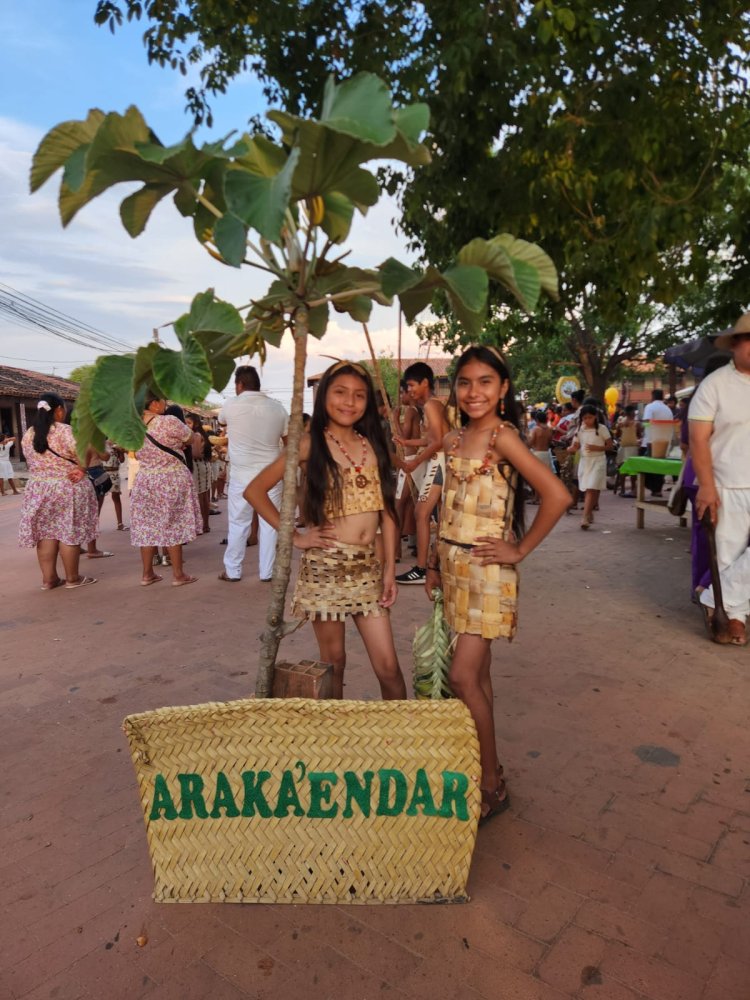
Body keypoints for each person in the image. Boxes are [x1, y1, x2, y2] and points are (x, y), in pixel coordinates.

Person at [425, 346, 570, 823]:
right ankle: (487, 766)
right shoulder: (453, 440)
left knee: (463, 677)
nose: (474, 391)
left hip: (487, 571)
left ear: (503, 388)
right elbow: (443, 510)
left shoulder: (503, 438)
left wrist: (520, 549)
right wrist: (431, 564)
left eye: (486, 382)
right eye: (464, 382)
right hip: (452, 566)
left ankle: (492, 782)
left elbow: (557, 495)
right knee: (478, 677)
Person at [246, 360, 407, 700]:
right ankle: (335, 744)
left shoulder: (374, 445)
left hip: (368, 568)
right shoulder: (308, 444)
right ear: (322, 398)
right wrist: (297, 537)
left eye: (359, 395)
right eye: (340, 393)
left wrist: (390, 569)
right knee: (334, 662)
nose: (349, 402)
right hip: (325, 569)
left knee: (389, 668)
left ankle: (400, 745)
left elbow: (388, 513)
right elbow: (256, 491)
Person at [689, 314, 750, 646]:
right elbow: (698, 439)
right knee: (728, 551)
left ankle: (713, 598)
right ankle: (734, 616)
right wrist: (707, 486)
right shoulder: (714, 385)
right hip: (727, 481)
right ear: (736, 344)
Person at [18, 393, 99, 589]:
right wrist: (81, 468)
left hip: (38, 489)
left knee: (46, 534)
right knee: (68, 531)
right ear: (59, 410)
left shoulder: (29, 434)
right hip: (66, 486)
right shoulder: (65, 431)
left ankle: (49, 579)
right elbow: (85, 450)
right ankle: (73, 578)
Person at [218, 365, 288, 582]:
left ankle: (233, 571)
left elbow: (221, 421)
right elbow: (288, 442)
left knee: (239, 523)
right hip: (271, 476)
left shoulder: (230, 405)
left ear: (239, 385)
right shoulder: (278, 408)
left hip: (241, 476)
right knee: (270, 524)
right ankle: (267, 572)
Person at [130, 392, 201, 586]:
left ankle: (147, 574)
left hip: (145, 481)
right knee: (173, 524)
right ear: (153, 404)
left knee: (146, 527)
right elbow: (189, 439)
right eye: (163, 401)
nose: (166, 405)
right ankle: (178, 575)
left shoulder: (133, 426)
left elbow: (134, 454)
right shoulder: (168, 421)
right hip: (170, 479)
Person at [394, 362, 450, 585]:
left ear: (425, 383)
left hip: (439, 462)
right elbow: (431, 438)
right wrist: (408, 442)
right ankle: (431, 564)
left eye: (411, 385)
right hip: (438, 461)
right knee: (432, 514)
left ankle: (422, 568)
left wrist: (416, 460)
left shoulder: (430, 406)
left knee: (422, 513)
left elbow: (437, 441)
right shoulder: (433, 405)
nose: (408, 390)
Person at [568, 403, 613, 529]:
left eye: (590, 418)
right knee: (589, 488)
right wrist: (571, 448)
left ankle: (585, 517)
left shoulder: (602, 429)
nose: (588, 420)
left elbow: (610, 446)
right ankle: (589, 512)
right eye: (585, 418)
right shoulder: (580, 430)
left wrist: (597, 448)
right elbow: (576, 445)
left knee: (591, 488)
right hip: (585, 461)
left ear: (595, 417)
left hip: (598, 461)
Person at [641, 388, 674, 496]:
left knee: (648, 465)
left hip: (651, 441)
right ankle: (657, 489)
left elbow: (647, 422)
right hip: (665, 442)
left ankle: (652, 487)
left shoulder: (650, 407)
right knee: (660, 466)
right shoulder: (667, 409)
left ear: (653, 396)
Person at [186, 412, 213, 533]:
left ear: (195, 424)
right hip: (204, 465)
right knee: (205, 495)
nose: (186, 425)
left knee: (201, 496)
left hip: (197, 466)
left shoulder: (195, 435)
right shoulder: (202, 434)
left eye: (189, 423)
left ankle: (202, 525)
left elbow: (195, 454)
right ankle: (205, 525)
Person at [614, 404, 642, 497]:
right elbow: (639, 434)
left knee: (622, 469)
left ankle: (622, 489)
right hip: (633, 447)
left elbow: (617, 435)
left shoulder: (620, 422)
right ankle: (633, 489)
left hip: (623, 447)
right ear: (632, 413)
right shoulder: (636, 423)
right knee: (633, 470)